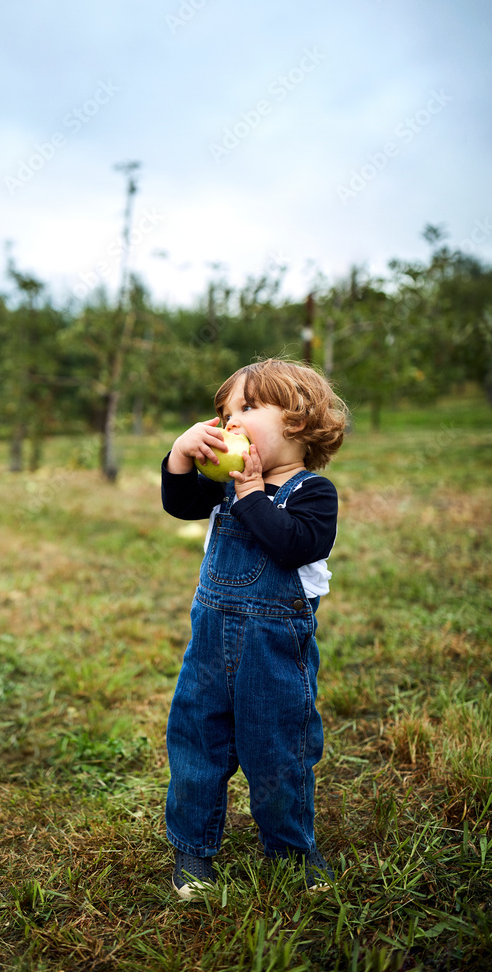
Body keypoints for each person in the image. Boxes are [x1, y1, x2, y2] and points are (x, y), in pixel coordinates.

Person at [161, 358, 348, 898]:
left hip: (274, 656)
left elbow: (292, 544)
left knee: (280, 753)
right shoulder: (225, 483)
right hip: (209, 649)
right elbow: (179, 503)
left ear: (297, 420)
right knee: (196, 744)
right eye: (225, 414)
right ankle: (193, 848)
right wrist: (180, 455)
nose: (230, 422)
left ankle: (291, 849)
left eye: (246, 407)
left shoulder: (313, 494)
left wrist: (250, 495)